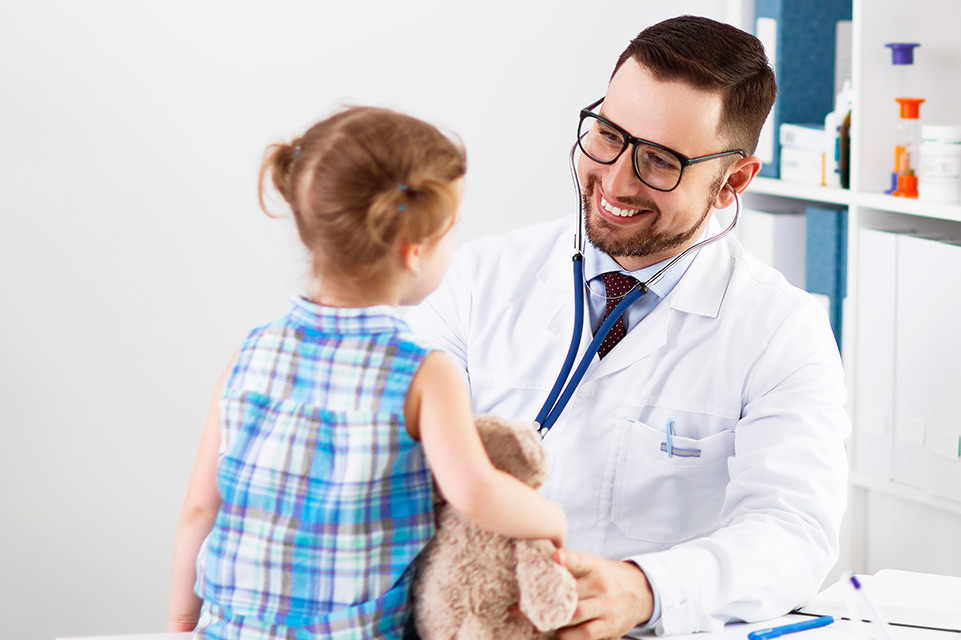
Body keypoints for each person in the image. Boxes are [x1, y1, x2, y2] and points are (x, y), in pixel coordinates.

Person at [407, 15, 850, 639]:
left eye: (660, 162)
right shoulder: (478, 279)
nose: (615, 180)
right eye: (609, 136)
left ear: (733, 182)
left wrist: (643, 588)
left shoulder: (782, 332)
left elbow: (792, 534)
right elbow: (390, 458)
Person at [166, 106, 567, 640]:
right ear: (413, 251)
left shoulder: (252, 352)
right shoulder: (422, 372)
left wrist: (181, 621)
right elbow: (475, 492)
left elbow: (199, 507)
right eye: (451, 231)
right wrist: (551, 520)